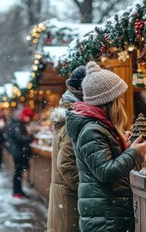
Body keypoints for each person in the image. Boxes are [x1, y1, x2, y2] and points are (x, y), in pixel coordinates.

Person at [66, 61, 146, 232]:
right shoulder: (92, 130)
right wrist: (134, 153)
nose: (123, 103)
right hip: (105, 217)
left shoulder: (98, 127)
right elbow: (105, 172)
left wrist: (125, 148)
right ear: (108, 102)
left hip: (106, 213)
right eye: (119, 99)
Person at [47, 65, 86, 232]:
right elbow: (66, 165)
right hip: (69, 199)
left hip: (64, 197)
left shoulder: (68, 113)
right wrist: (87, 188)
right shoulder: (73, 118)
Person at [7, 107, 35, 199]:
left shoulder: (15, 124)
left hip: (18, 151)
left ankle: (18, 191)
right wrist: (30, 137)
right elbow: (20, 137)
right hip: (18, 151)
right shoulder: (16, 124)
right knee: (18, 172)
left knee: (18, 172)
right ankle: (17, 192)